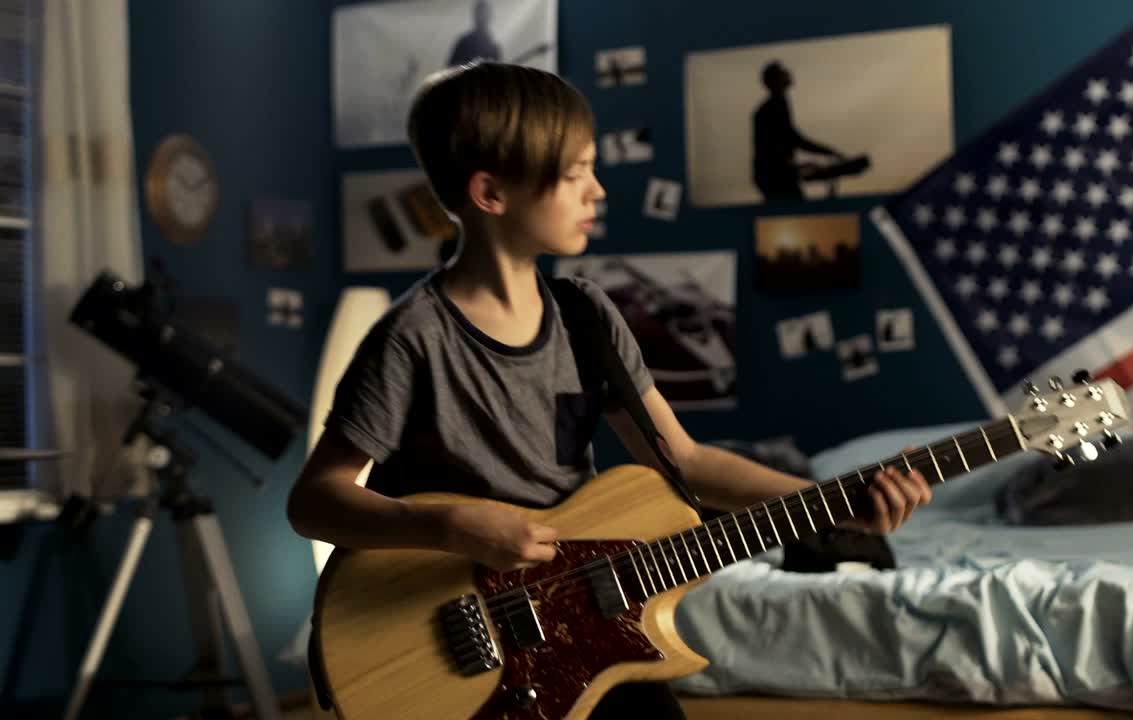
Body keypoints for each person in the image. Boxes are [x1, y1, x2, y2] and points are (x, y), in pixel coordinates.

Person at [287, 61, 931, 720]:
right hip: (463, 655)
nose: (596, 191)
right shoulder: (412, 337)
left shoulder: (586, 315)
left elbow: (685, 462)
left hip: (587, 630)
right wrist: (449, 526)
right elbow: (315, 501)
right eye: (575, 175)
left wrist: (834, 505)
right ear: (491, 192)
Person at [752, 60, 842, 200]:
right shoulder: (773, 107)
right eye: (783, 72)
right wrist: (828, 152)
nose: (788, 73)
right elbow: (792, 140)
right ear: (775, 80)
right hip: (775, 176)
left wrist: (805, 164)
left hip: (776, 174)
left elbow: (789, 140)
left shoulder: (775, 105)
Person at [447, 0, 501, 67]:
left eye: (485, 14)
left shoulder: (494, 47)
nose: (482, 17)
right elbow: (451, 67)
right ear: (475, 15)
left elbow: (499, 71)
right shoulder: (463, 43)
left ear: (489, 17)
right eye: (480, 14)